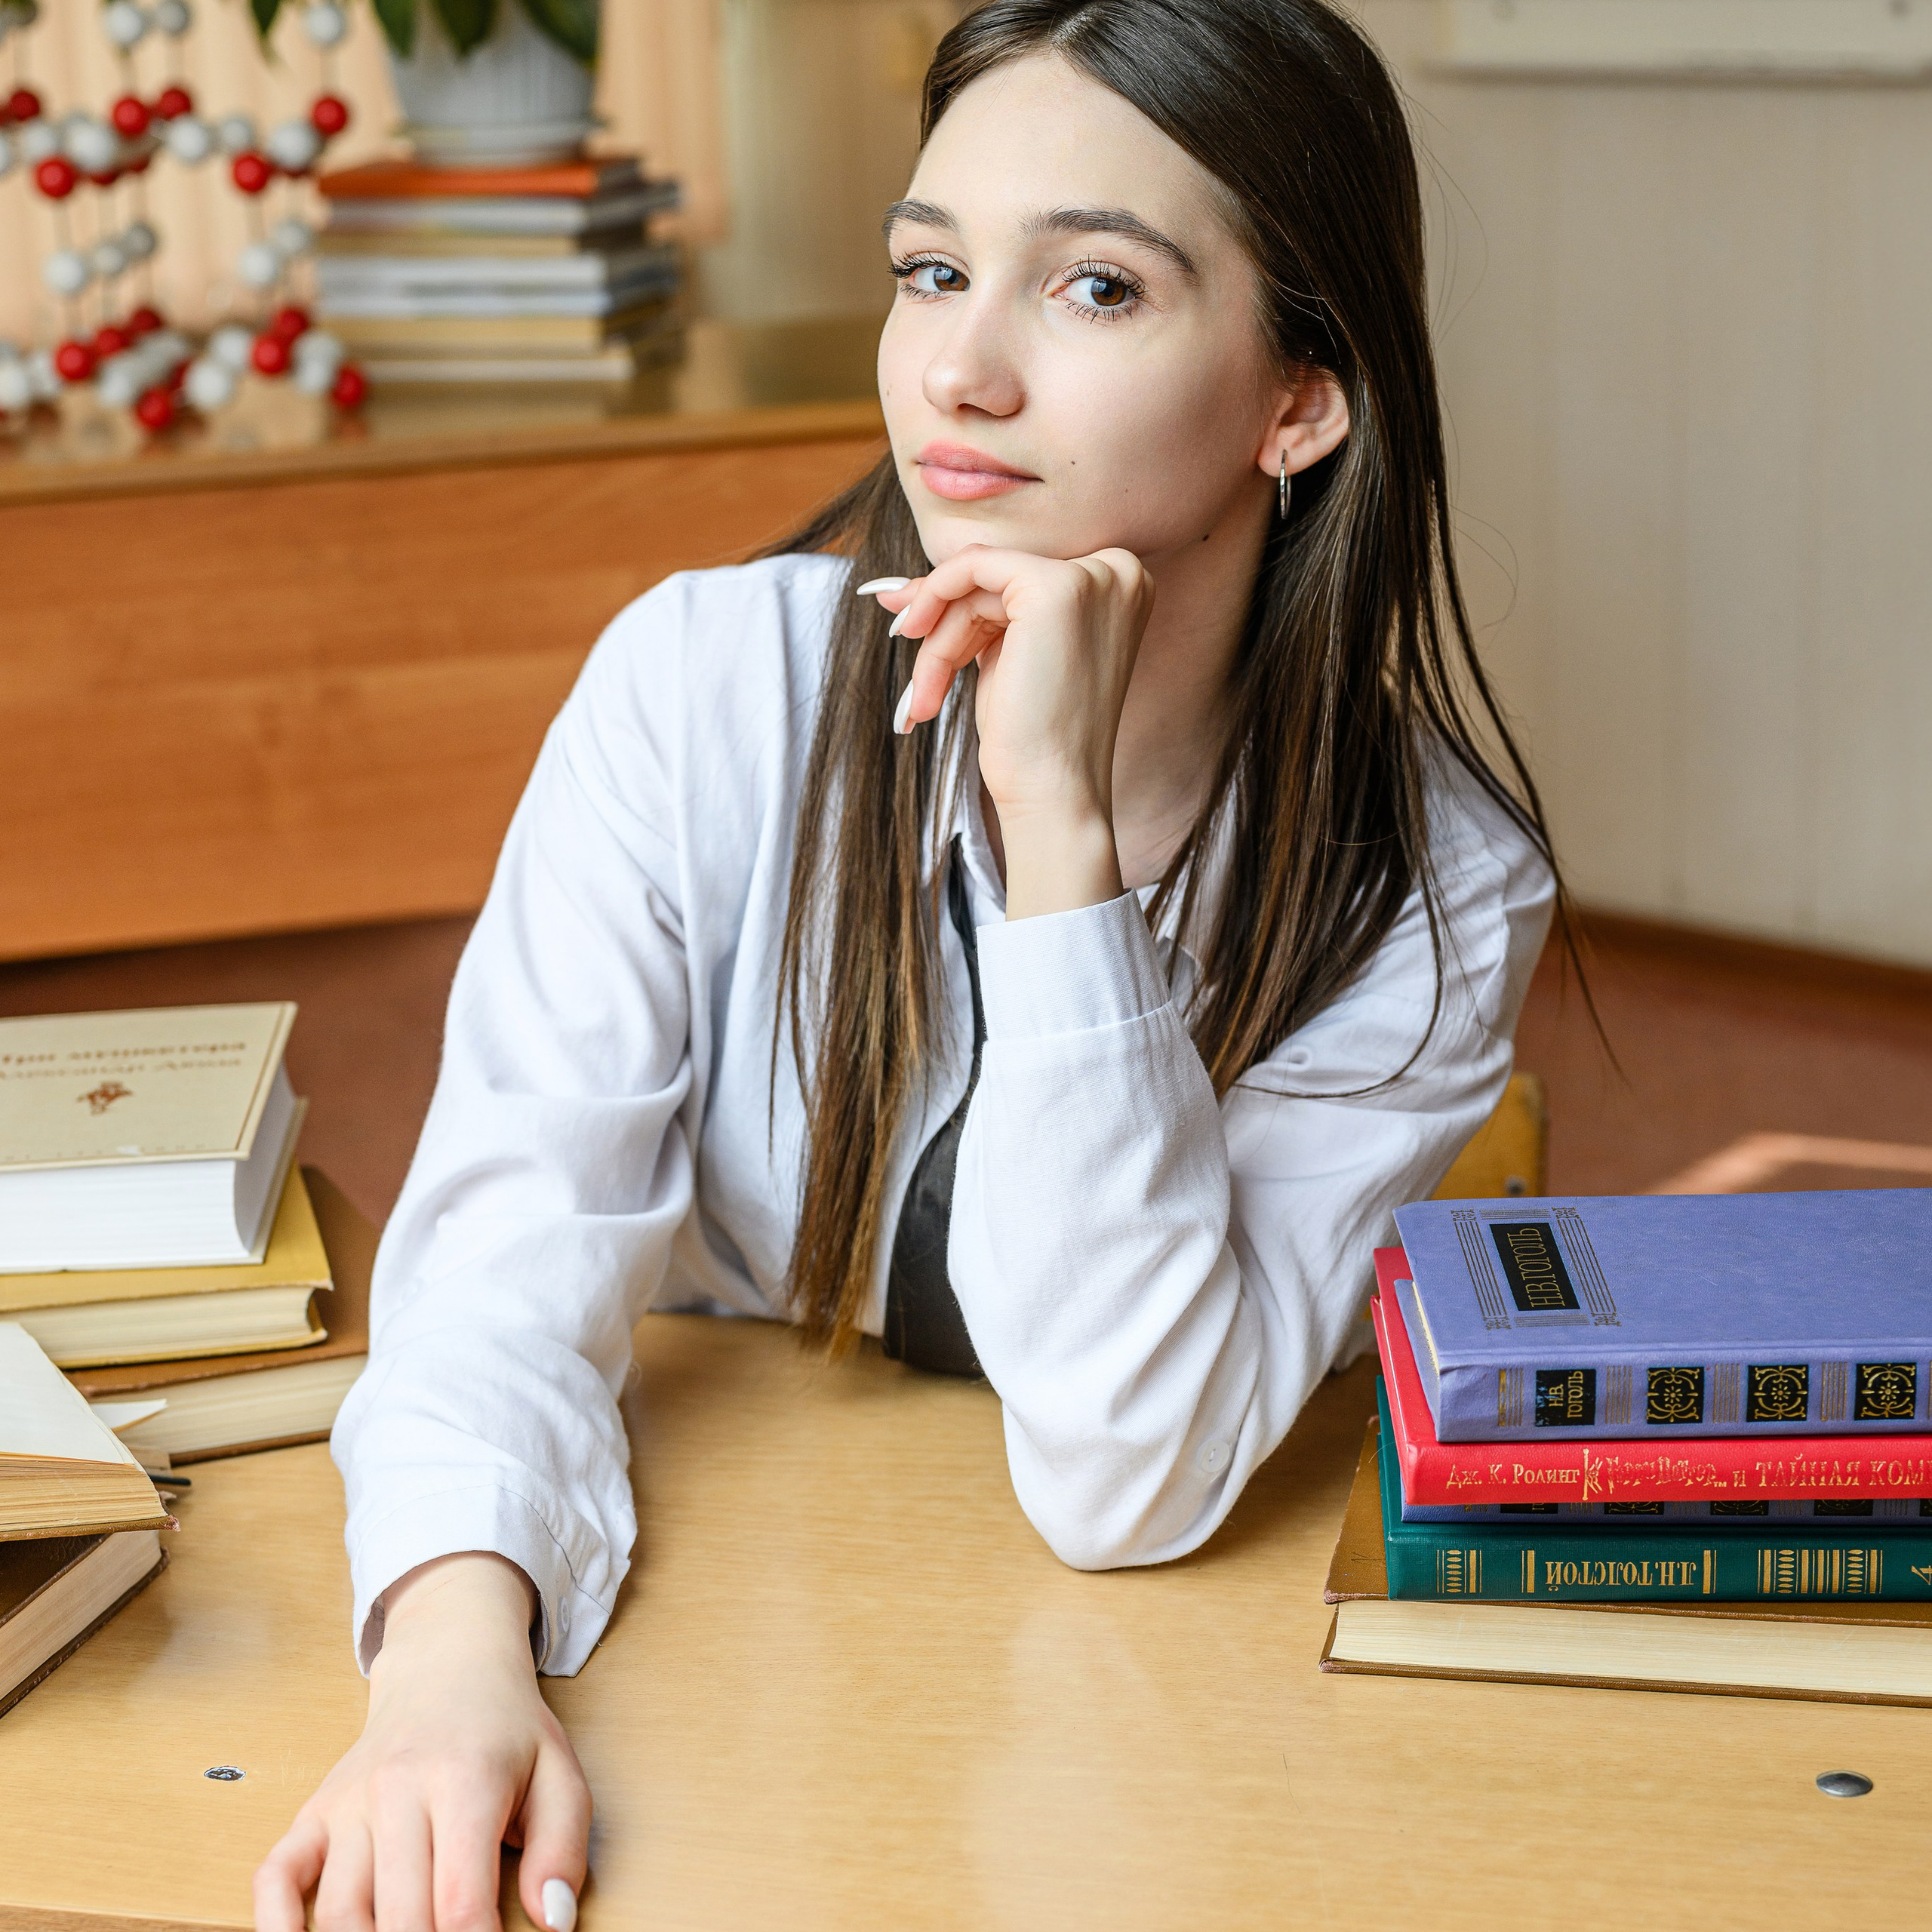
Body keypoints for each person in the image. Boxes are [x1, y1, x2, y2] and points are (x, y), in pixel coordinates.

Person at [256, 2, 1564, 1926]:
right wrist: (451, 1674)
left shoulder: (1430, 886)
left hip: (1111, 1720)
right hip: (729, 1553)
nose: (957, 367)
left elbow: (1130, 1473)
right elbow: (503, 1263)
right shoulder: (704, 690)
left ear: (1302, 395)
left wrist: (1059, 839)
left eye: (1094, 287)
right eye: (930, 268)